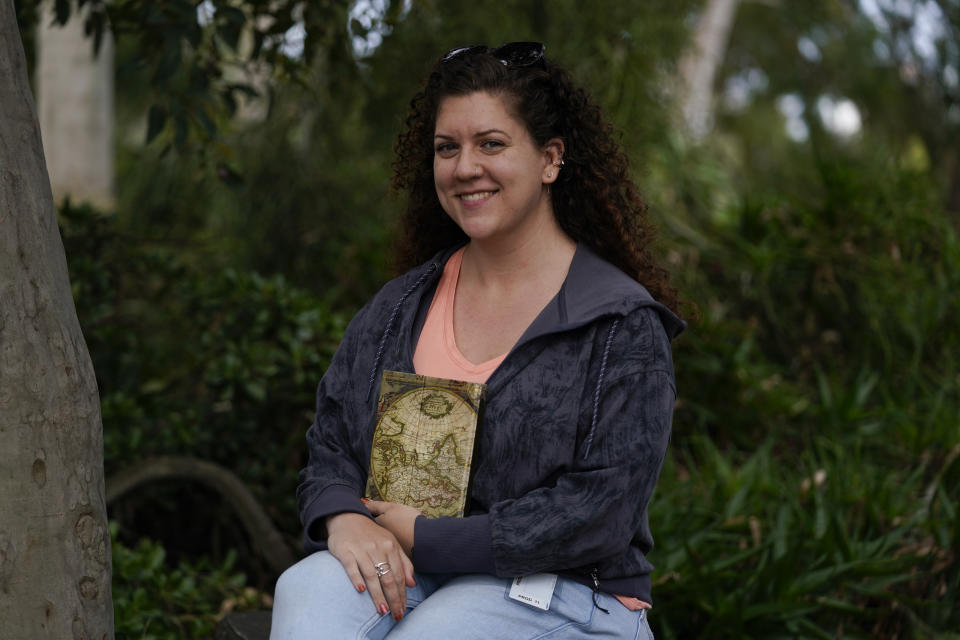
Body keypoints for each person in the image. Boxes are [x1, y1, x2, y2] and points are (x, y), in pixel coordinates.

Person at [270, 42, 685, 639]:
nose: (465, 167)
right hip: (422, 571)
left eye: (491, 144)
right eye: (448, 148)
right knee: (305, 589)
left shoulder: (620, 326)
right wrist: (341, 517)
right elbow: (332, 439)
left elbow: (602, 510)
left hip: (568, 590)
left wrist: (434, 536)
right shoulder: (400, 308)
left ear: (550, 159)